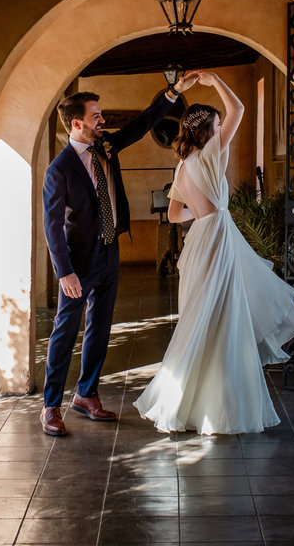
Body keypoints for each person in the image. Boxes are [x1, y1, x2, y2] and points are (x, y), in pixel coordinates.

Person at [134, 69, 294, 434]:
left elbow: (173, 215)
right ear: (209, 131)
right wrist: (214, 79)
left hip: (199, 239)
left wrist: (201, 212)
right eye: (217, 125)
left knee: (201, 316)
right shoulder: (211, 154)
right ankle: (221, 407)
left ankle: (187, 401)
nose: (222, 130)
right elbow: (239, 109)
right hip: (216, 237)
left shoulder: (183, 165)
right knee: (224, 316)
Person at [41, 73, 199, 436]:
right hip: (77, 264)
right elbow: (52, 227)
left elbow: (143, 123)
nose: (103, 121)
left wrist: (173, 93)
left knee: (100, 328)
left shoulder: (107, 146)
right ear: (77, 123)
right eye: (96, 116)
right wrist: (64, 272)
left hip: (110, 253)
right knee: (65, 332)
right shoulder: (58, 170)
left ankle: (86, 394)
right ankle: (51, 406)